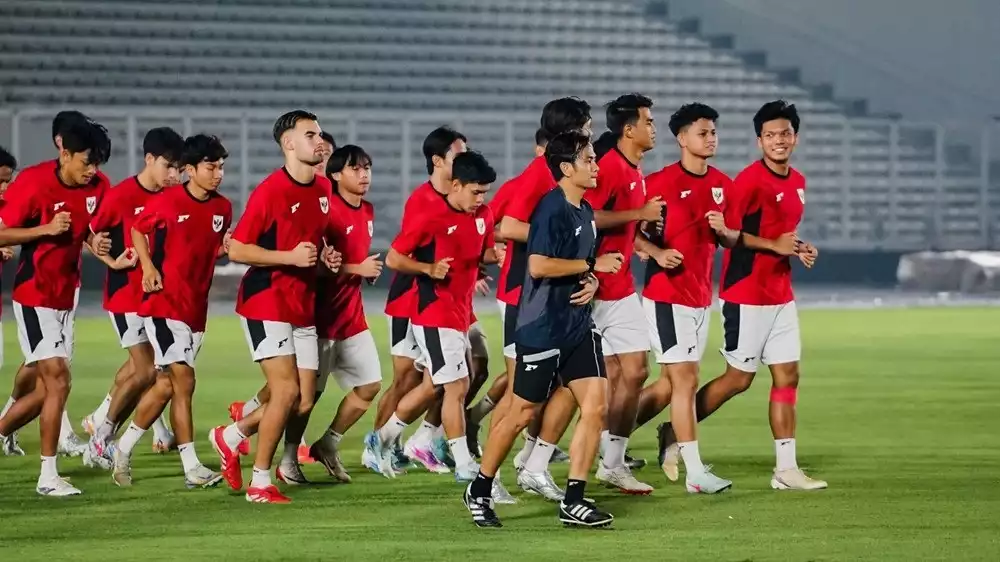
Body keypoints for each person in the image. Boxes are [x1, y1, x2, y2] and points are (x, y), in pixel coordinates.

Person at [658, 100, 827, 491]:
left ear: (795, 137)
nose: (779, 140)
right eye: (771, 135)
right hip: (745, 293)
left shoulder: (798, 181)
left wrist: (800, 247)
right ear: (759, 141)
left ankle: (786, 470)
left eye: (785, 133)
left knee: (788, 375)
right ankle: (674, 429)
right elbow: (729, 236)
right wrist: (774, 245)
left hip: (781, 294)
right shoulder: (748, 182)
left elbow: (780, 233)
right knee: (739, 380)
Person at [463, 131, 620, 528]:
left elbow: (582, 265)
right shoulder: (551, 209)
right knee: (520, 413)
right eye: (589, 160)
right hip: (542, 327)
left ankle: (574, 500)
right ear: (567, 168)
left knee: (596, 406)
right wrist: (591, 269)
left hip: (577, 327)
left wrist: (593, 282)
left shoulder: (584, 209)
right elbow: (538, 266)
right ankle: (480, 488)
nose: (596, 166)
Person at [209, 110, 342, 504]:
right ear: (288, 144)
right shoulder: (270, 191)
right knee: (285, 392)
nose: (319, 141)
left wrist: (324, 259)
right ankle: (260, 482)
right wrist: (289, 257)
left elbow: (309, 247)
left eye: (319, 134)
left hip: (301, 303)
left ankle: (230, 435)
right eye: (309, 135)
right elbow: (239, 248)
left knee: (303, 398)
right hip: (266, 300)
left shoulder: (322, 190)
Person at [483, 99, 593, 502]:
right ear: (572, 130)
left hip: (551, 299)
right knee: (519, 395)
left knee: (562, 386)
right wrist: (552, 240)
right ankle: (489, 478)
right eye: (588, 126)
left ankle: (534, 465)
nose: (592, 133)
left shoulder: (563, 176)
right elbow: (504, 225)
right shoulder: (540, 174)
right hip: (522, 297)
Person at [109, 134, 232, 488]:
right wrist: (148, 267)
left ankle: (123, 447)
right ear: (190, 170)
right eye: (211, 167)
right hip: (164, 305)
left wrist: (224, 250)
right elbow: (136, 229)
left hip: (195, 309)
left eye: (221, 167)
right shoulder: (167, 201)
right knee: (185, 382)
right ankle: (191, 467)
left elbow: (207, 251)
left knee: (165, 386)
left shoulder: (222, 208)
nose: (218, 174)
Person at [0, 118, 113, 495]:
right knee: (59, 381)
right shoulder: (31, 184)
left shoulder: (98, 185)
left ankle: (4, 431)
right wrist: (43, 230)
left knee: (48, 390)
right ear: (63, 154)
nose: (92, 171)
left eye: (97, 163)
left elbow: (89, 227)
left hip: (68, 296)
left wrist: (94, 243)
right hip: (35, 297)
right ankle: (48, 477)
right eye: (86, 162)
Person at [372, 151, 500, 482]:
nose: (480, 199)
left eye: (484, 192)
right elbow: (396, 259)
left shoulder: (482, 214)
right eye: (475, 191)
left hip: (460, 313)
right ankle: (463, 462)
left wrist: (493, 255)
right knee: (456, 386)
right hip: (433, 313)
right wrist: (428, 268)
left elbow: (475, 252)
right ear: (455, 185)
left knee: (437, 384)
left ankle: (382, 438)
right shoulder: (432, 218)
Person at [632, 103, 737, 493]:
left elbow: (728, 239)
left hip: (698, 298)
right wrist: (656, 251)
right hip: (665, 296)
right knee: (685, 381)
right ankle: (695, 472)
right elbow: (632, 231)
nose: (710, 139)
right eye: (702, 133)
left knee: (666, 386)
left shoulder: (723, 184)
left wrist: (724, 231)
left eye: (713, 133)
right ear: (682, 138)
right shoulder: (658, 182)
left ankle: (607, 441)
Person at [368, 126, 467, 475]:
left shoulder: (459, 199)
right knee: (407, 380)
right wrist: (430, 268)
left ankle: (420, 439)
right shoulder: (423, 201)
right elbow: (401, 254)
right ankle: (379, 444)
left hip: (442, 303)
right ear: (438, 161)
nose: (464, 160)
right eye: (458, 154)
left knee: (453, 373)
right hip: (409, 302)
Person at [82, 127, 185, 461]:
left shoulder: (175, 198)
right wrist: (110, 260)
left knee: (145, 370)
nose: (174, 175)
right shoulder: (122, 195)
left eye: (178, 168)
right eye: (168, 166)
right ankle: (103, 437)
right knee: (146, 371)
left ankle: (101, 424)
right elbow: (90, 233)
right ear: (149, 159)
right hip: (126, 297)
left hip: (160, 298)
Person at [588, 94, 662, 494]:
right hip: (591, 288)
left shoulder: (636, 168)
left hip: (621, 290)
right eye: (648, 122)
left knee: (633, 371)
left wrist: (647, 231)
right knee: (568, 386)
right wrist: (639, 215)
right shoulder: (609, 167)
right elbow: (589, 216)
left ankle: (612, 461)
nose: (654, 128)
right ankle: (534, 457)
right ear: (629, 129)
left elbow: (628, 224)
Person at [307, 145, 383, 483]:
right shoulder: (325, 211)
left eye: (367, 168)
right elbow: (316, 268)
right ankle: (285, 453)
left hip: (352, 317)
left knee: (369, 386)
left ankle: (328, 443)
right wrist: (357, 267)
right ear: (336, 174)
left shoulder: (367, 210)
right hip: (319, 319)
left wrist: (363, 271)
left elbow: (348, 262)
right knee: (304, 398)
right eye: (356, 169)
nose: (364, 175)